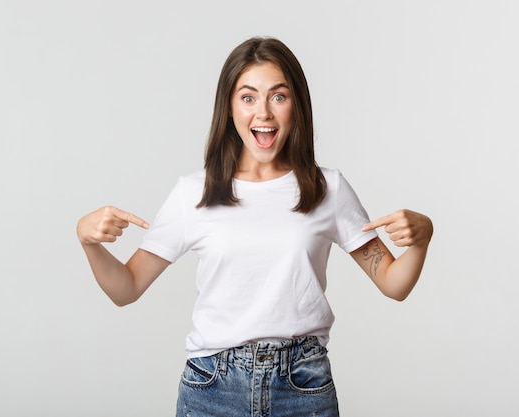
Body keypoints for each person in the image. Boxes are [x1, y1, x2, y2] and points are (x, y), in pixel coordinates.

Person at [77, 36, 433, 417]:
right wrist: (89, 242)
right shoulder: (194, 193)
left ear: (297, 105)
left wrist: (423, 236)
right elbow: (127, 288)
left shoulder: (327, 189)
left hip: (302, 386)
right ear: (229, 108)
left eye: (278, 96)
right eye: (248, 97)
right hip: (212, 389)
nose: (263, 112)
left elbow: (393, 284)